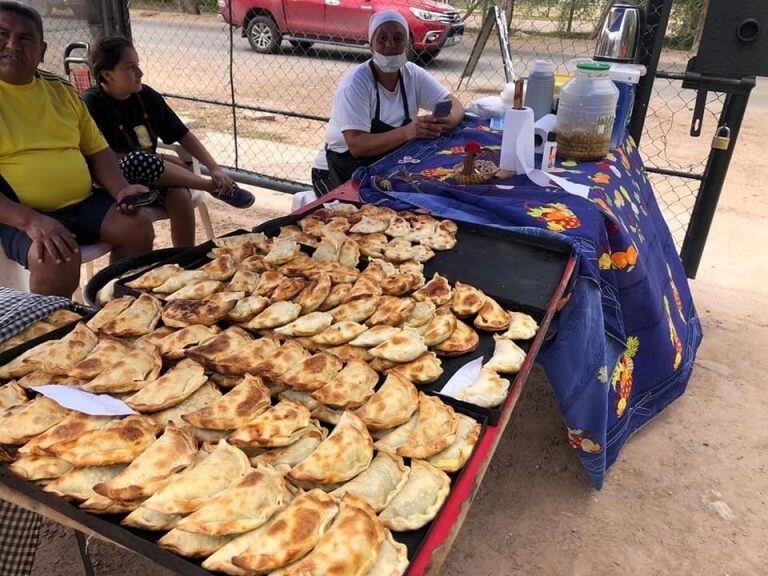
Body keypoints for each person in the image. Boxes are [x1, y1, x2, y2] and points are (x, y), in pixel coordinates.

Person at [0, 1, 154, 297]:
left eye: (25, 38)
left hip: (82, 203)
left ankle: (112, 313)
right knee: (56, 255)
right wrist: (31, 221)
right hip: (19, 214)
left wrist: (121, 189)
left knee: (138, 227)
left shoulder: (61, 91)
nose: (12, 45)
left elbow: (98, 151)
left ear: (42, 51)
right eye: (2, 35)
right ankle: (56, 336)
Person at [81, 36, 255, 247]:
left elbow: (183, 134)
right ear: (107, 75)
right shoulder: (91, 104)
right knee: (138, 160)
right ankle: (211, 186)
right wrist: (161, 159)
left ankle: (183, 263)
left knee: (180, 196)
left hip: (152, 176)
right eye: (130, 67)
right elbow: (102, 158)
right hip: (114, 186)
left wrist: (214, 168)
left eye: (138, 65)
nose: (139, 73)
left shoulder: (146, 96)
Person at [323, 10, 465, 191]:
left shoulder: (412, 74)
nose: (390, 45)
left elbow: (456, 105)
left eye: (398, 39)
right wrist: (409, 131)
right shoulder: (355, 83)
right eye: (382, 38)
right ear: (370, 45)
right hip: (343, 169)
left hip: (387, 163)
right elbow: (357, 145)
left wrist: (447, 122)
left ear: (407, 45)